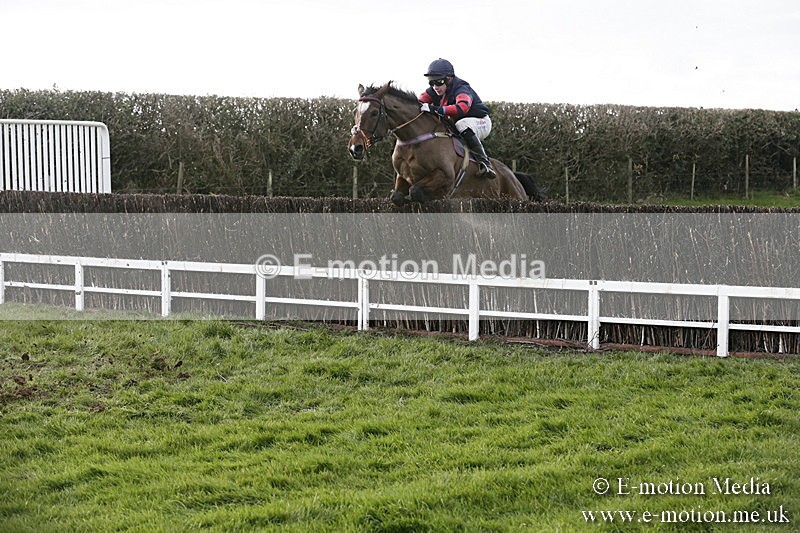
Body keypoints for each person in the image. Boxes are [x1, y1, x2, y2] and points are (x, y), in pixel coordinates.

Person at [418, 58, 496, 178]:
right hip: (459, 122)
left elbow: (462, 108)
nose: (435, 87)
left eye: (438, 82)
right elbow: (418, 103)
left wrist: (435, 109)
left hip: (480, 122)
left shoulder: (461, 88)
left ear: (449, 79)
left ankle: (485, 163)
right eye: (431, 82)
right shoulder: (435, 90)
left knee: (462, 125)